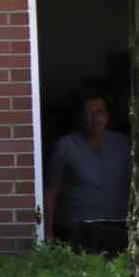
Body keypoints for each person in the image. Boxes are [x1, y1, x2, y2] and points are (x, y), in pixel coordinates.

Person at [45, 91, 132, 254]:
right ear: (80, 117)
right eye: (89, 113)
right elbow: (51, 192)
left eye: (100, 112)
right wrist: (47, 236)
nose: (95, 118)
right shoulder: (65, 146)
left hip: (119, 225)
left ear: (107, 115)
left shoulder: (122, 143)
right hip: (80, 230)